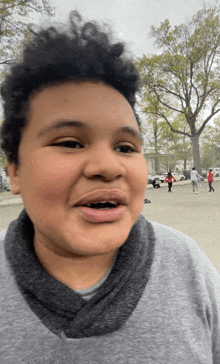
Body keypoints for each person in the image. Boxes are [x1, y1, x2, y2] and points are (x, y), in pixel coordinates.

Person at [0, 12, 220, 363]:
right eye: (70, 142)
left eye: (126, 148)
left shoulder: (188, 265)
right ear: (15, 170)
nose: (108, 167)